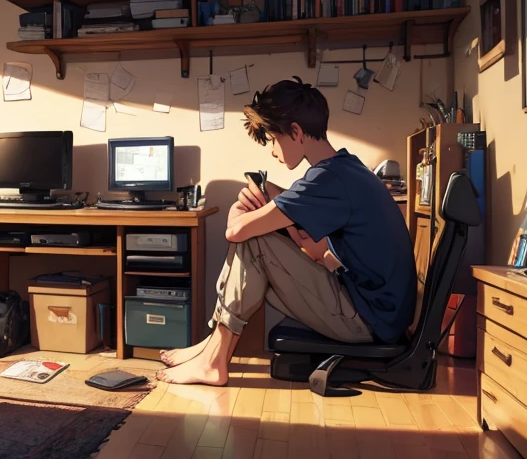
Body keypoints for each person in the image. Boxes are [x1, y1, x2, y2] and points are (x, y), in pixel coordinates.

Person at [156, 77, 415, 385]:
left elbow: (236, 233)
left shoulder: (325, 181)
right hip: (378, 314)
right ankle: (212, 348)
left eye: (273, 139)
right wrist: (274, 203)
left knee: (255, 241)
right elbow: (316, 250)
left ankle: (213, 359)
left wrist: (241, 210)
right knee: (258, 243)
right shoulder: (343, 170)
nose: (273, 152)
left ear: (295, 132)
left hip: (366, 320)